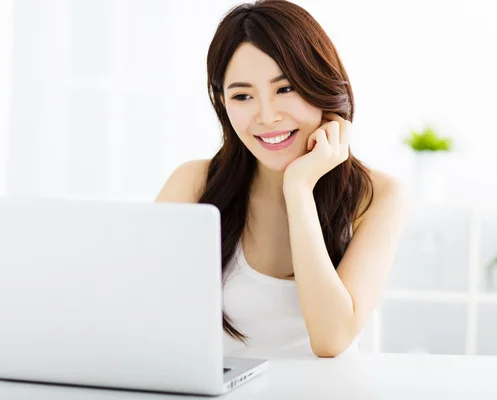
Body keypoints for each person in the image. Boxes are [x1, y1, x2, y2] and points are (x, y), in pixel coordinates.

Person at [156, 0, 407, 358]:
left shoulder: (379, 196)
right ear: (222, 103)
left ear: (320, 84)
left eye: (285, 88)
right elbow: (143, 317)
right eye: (243, 95)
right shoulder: (195, 184)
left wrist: (299, 188)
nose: (268, 116)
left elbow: (331, 339)